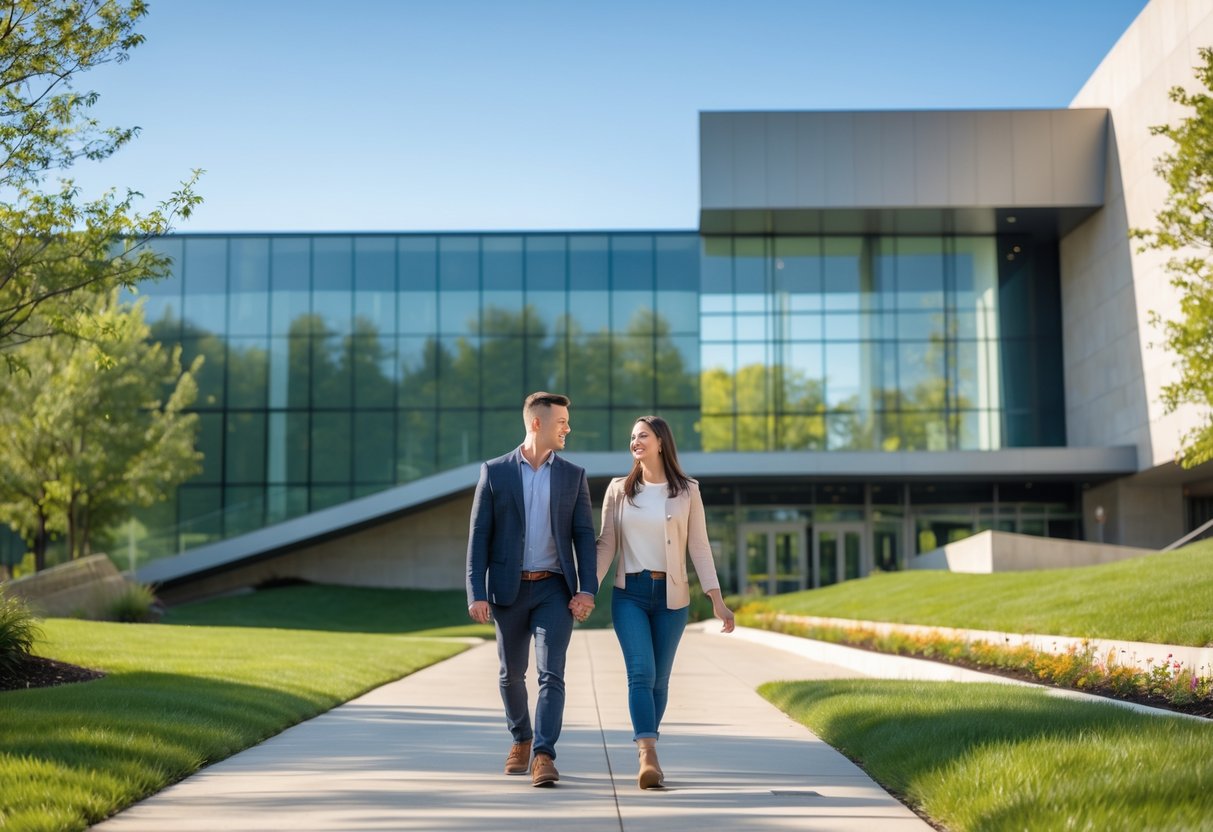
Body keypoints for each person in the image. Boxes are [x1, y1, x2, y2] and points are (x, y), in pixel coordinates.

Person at [466, 392, 598, 787]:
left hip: (554, 591)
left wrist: (586, 589)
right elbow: (479, 536)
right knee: (510, 675)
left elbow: (584, 536)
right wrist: (476, 591)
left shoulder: (573, 475)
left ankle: (544, 754)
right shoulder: (495, 471)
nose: (568, 428)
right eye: (561, 422)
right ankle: (521, 738)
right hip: (508, 590)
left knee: (551, 673)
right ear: (537, 423)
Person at [595, 414, 735, 789]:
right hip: (630, 595)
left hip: (672, 597)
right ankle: (647, 754)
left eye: (642, 435)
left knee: (659, 681)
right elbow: (606, 544)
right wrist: (585, 591)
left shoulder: (687, 490)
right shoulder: (618, 490)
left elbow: (700, 547)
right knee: (640, 672)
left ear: (660, 442)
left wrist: (717, 600)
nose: (635, 442)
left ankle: (647, 742)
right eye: (632, 437)